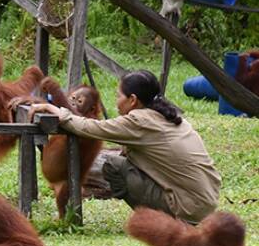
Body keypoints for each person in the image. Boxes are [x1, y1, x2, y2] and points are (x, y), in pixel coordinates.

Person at [27, 70, 220, 224]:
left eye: (118, 95)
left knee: (113, 165)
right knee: (127, 157)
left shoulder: (139, 120)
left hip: (187, 208)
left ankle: (157, 221)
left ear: (133, 100)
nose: (116, 101)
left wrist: (57, 110)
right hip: (206, 202)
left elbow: (91, 128)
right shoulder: (170, 116)